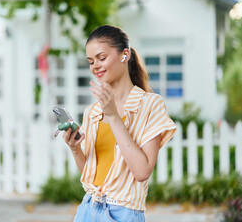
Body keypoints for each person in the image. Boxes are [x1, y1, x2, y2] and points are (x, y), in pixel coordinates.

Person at [62, 25, 176, 222]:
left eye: (101, 58)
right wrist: (74, 148)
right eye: (90, 61)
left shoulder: (150, 105)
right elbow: (91, 173)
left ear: (124, 55)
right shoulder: (93, 111)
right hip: (87, 209)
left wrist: (114, 116)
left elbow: (142, 172)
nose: (95, 66)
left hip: (122, 213)